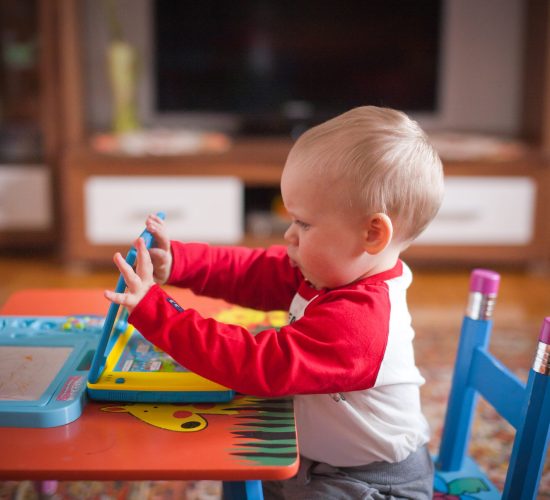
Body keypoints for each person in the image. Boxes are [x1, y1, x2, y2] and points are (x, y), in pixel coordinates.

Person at [105, 106, 444, 499]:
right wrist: (178, 262)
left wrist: (156, 313)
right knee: (243, 462)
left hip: (372, 483)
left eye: (304, 223)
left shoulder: (360, 324)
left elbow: (255, 364)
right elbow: (253, 271)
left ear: (371, 234)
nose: (289, 234)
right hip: (319, 463)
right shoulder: (329, 271)